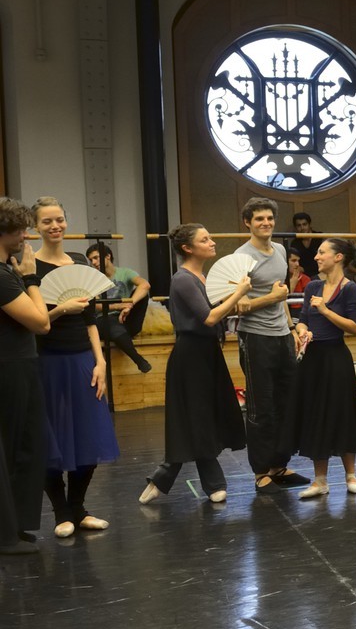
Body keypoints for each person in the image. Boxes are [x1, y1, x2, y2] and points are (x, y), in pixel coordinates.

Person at [139, 224, 251, 504]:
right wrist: (238, 293)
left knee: (204, 417)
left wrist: (235, 298)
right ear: (188, 248)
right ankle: (212, 483)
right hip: (191, 355)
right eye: (205, 239)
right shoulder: (183, 279)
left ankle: (164, 477)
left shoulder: (201, 276)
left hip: (207, 353)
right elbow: (209, 318)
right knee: (198, 417)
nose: (212, 242)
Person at [32, 198, 119, 539]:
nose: (55, 226)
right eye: (47, 222)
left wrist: (100, 361)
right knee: (50, 440)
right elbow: (33, 321)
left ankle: (79, 508)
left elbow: (91, 319)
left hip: (83, 358)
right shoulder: (28, 265)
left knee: (89, 433)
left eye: (59, 220)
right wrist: (58, 310)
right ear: (35, 227)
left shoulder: (81, 261)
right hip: (46, 360)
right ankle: (61, 513)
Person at [234, 198, 306, 492]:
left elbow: (283, 295)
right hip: (255, 337)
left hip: (280, 335)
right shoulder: (241, 257)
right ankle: (260, 470)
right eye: (259, 219)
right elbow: (238, 305)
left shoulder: (279, 250)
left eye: (269, 218)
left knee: (286, 402)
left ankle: (279, 464)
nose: (266, 223)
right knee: (261, 406)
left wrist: (290, 328)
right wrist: (271, 300)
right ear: (247, 223)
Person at [290, 238, 356, 500]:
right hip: (313, 359)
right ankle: (320, 480)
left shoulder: (349, 290)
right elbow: (302, 319)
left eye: (322, 252)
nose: (316, 257)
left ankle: (350, 475)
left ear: (338, 257)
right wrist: (302, 332)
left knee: (343, 413)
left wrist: (324, 310)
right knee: (316, 416)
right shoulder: (312, 286)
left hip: (336, 358)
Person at [0, 198, 49, 555]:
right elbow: (40, 321)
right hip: (10, 368)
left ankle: (15, 527)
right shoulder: (3, 276)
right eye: (22, 230)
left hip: (19, 365)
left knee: (23, 448)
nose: (26, 236)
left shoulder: (5, 272)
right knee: (14, 448)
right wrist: (31, 278)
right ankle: (7, 535)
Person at [85, 242, 153, 373]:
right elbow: (98, 306)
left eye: (96, 257)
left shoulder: (125, 272)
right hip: (105, 320)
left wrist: (129, 305)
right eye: (91, 260)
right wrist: (119, 306)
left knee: (142, 295)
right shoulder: (93, 279)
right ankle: (139, 360)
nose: (93, 262)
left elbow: (145, 285)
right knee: (112, 324)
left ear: (108, 256)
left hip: (126, 318)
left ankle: (124, 331)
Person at [288, 211, 319, 277]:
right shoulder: (295, 243)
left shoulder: (319, 237)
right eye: (299, 225)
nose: (302, 228)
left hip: (321, 273)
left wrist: (304, 269)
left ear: (309, 225)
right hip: (302, 276)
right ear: (295, 228)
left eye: (304, 224)